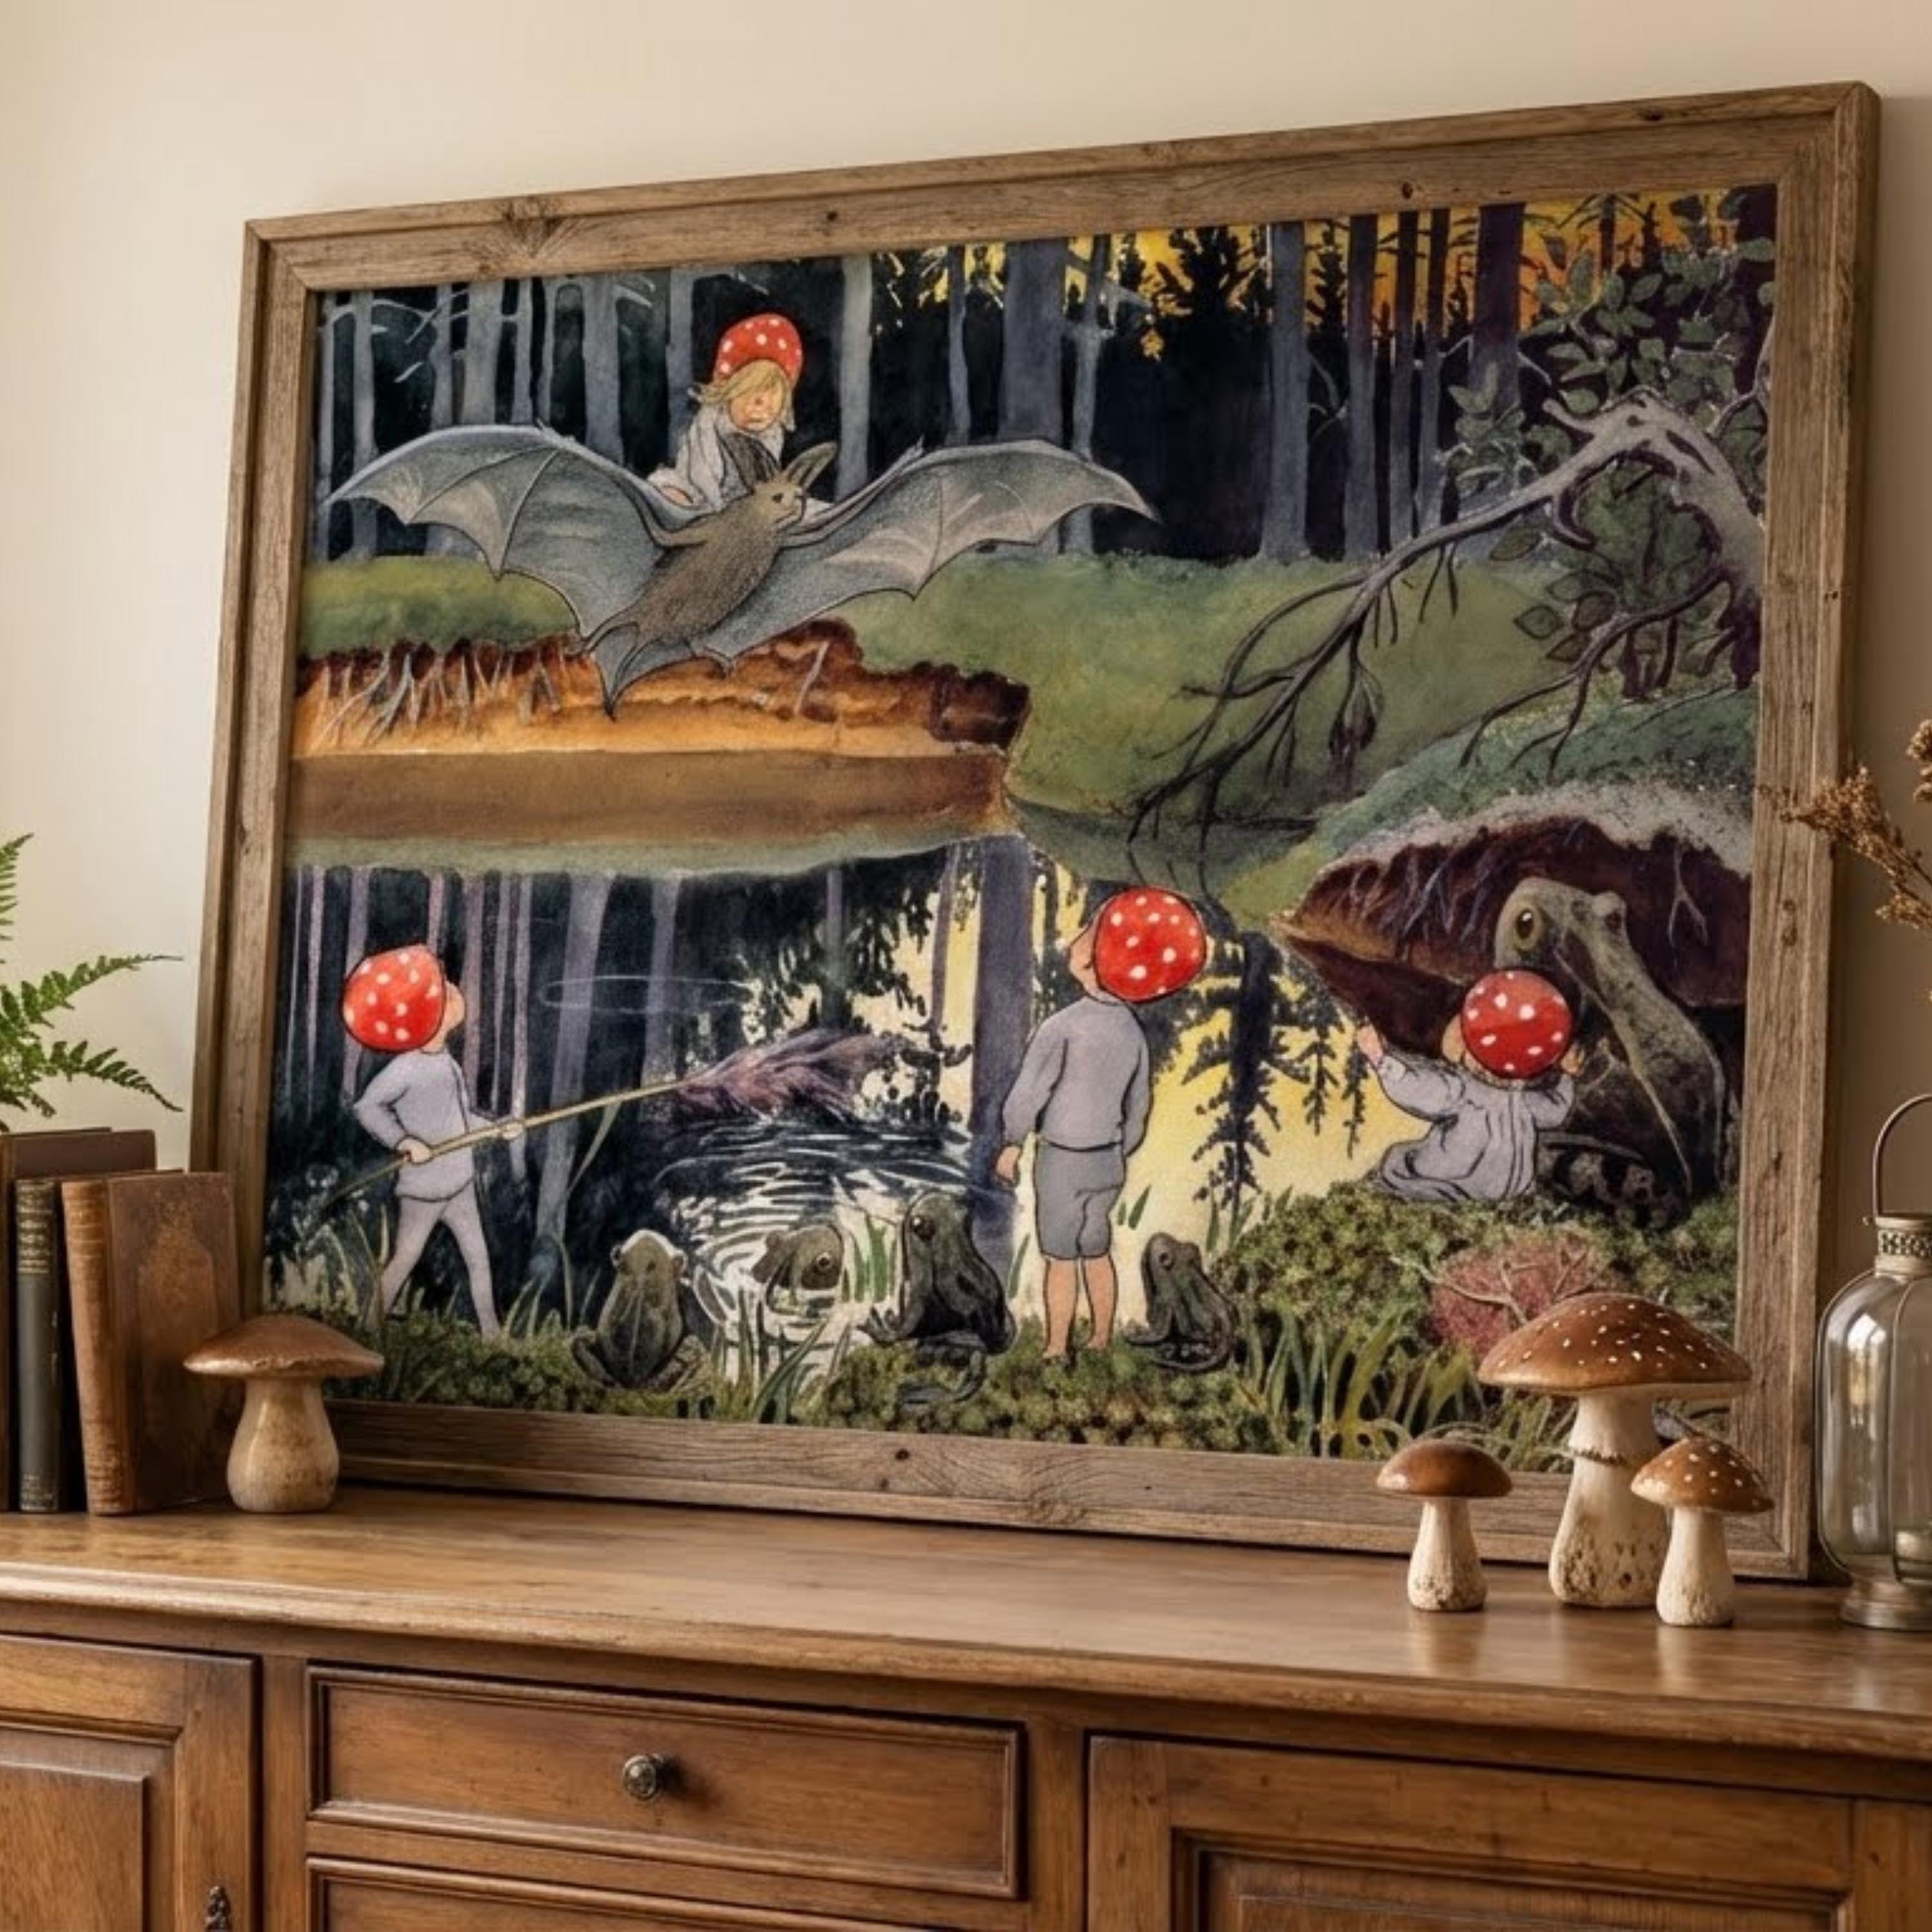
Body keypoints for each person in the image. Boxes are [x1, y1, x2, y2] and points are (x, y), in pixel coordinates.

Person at [996, 889, 1207, 1361]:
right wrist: (1120, 1148)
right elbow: (1139, 1105)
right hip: (1107, 1161)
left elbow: (1031, 1089)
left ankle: (1056, 1347)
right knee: (1096, 1249)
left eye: (1089, 930)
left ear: (1096, 959)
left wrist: (1012, 1141)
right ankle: (1100, 1338)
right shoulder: (1132, 1032)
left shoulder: (1062, 1027)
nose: (1076, 935)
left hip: (1063, 1159)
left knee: (1060, 1257)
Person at [343, 946, 522, 1339]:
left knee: (478, 1258)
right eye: (444, 988)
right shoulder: (407, 1068)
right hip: (424, 1190)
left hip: (459, 1183)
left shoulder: (447, 1063)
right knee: (405, 1258)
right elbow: (367, 1107)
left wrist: (496, 1129)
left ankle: (492, 1335)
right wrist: (404, 1140)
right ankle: (367, 1327)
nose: (455, 991)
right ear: (427, 1012)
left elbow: (460, 1122)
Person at [1358, 1001, 1582, 1205]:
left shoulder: (1517, 1098)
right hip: (1463, 1181)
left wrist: (1568, 1076)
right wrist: (1380, 1059)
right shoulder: (1467, 1089)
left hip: (1492, 1188)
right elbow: (1420, 1090)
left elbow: (1555, 1111)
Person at [648, 312, 804, 513]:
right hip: (701, 498)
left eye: (773, 394)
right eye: (749, 390)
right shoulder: (709, 426)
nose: (761, 405)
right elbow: (699, 476)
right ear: (729, 392)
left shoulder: (772, 435)